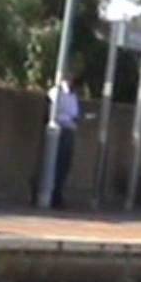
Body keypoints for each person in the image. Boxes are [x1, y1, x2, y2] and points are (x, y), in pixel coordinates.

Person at [48, 77, 80, 209]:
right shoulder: (57, 92)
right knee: (55, 164)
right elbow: (53, 112)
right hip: (59, 130)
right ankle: (51, 195)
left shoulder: (73, 95)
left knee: (64, 165)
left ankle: (58, 194)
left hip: (70, 130)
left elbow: (74, 113)